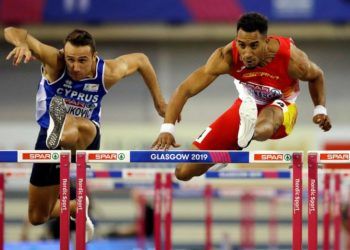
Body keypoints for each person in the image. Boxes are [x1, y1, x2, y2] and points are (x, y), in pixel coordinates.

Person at [4, 27, 166, 242]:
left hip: (87, 133)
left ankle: (62, 123)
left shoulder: (107, 72)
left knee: (71, 127)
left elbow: (142, 60)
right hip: (50, 137)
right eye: (70, 59)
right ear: (64, 54)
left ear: (94, 57)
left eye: (82, 60)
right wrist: (21, 44)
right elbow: (12, 30)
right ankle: (74, 205)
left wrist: (158, 101)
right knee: (37, 215)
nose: (75, 67)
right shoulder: (56, 60)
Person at [152, 12, 332, 181]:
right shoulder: (227, 56)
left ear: (266, 41)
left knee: (267, 121)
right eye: (242, 45)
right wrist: (167, 129)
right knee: (183, 172)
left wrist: (320, 109)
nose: (247, 54)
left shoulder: (291, 59)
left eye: (254, 46)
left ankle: (245, 136)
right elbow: (185, 89)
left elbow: (317, 75)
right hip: (245, 106)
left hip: (282, 107)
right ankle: (238, 141)